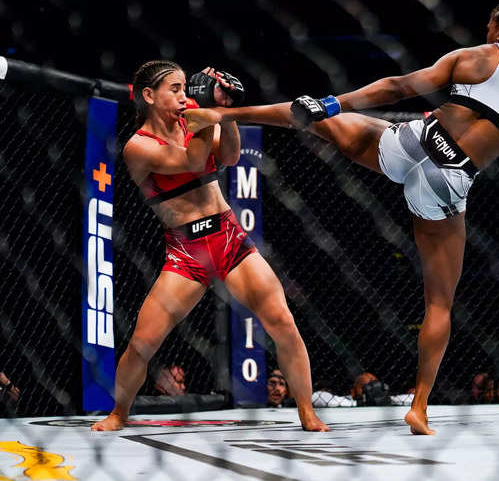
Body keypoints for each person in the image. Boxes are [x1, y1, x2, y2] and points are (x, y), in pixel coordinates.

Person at [215, 0, 499, 434]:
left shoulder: (477, 56)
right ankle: (419, 406)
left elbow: (399, 86)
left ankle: (225, 113)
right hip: (448, 181)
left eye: (490, 24)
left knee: (322, 121)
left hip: (417, 140)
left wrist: (333, 103)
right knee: (439, 301)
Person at [91, 61, 328, 432]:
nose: (184, 96)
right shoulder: (138, 147)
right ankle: (119, 413)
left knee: (283, 321)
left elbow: (231, 156)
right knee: (142, 343)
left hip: (230, 238)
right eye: (175, 89)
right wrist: (209, 114)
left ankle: (306, 412)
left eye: (187, 87)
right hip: (186, 252)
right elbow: (193, 160)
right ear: (149, 96)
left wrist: (227, 113)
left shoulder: (193, 123)